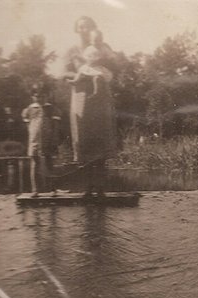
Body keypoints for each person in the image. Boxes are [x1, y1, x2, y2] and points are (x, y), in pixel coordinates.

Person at [64, 16, 118, 198]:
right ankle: (87, 189)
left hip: (100, 99)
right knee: (84, 141)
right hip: (80, 99)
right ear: (76, 30)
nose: (84, 30)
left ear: (94, 28)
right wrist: (81, 74)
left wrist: (101, 71)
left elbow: (115, 68)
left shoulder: (103, 47)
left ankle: (101, 189)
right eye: (80, 27)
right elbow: (63, 72)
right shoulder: (72, 50)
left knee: (100, 141)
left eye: (87, 27)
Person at [21, 92, 61, 197]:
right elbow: (28, 126)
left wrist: (54, 138)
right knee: (34, 163)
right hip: (34, 140)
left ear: (47, 96)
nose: (39, 98)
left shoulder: (51, 109)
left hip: (48, 139)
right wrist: (31, 138)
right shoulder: (29, 109)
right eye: (37, 96)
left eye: (42, 96)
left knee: (49, 163)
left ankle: (53, 189)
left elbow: (56, 126)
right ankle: (35, 190)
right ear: (33, 97)